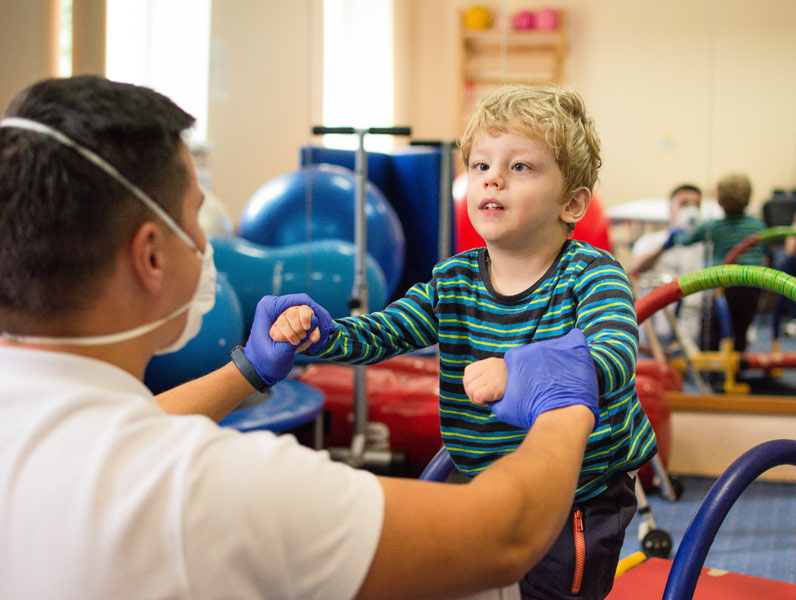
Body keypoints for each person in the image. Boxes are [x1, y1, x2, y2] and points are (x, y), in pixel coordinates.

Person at [0, 75, 603, 600]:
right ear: (151, 256)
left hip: (585, 502)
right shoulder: (217, 485)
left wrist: (247, 371)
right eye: (195, 217)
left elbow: (134, 423)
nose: (213, 245)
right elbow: (506, 537)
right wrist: (564, 405)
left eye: (518, 167)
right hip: (515, 488)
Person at [271, 84, 657, 600]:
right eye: (480, 166)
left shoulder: (592, 275)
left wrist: (519, 369)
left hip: (580, 495)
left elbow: (614, 355)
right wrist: (323, 336)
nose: (493, 177)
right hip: (488, 479)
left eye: (520, 167)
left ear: (572, 203)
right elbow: (388, 330)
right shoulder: (454, 279)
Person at [667, 172, 766, 352]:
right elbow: (765, 250)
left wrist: (676, 234)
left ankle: (711, 365)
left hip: (724, 285)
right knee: (741, 327)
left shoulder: (714, 226)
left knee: (714, 326)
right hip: (753, 283)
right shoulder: (757, 225)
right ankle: (737, 365)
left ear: (719, 201)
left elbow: (685, 241)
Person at [629, 184, 705, 348]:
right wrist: (664, 246)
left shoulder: (706, 246)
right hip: (655, 324)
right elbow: (635, 268)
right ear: (671, 208)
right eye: (684, 204)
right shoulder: (651, 241)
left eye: (696, 205)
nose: (690, 210)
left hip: (693, 326)